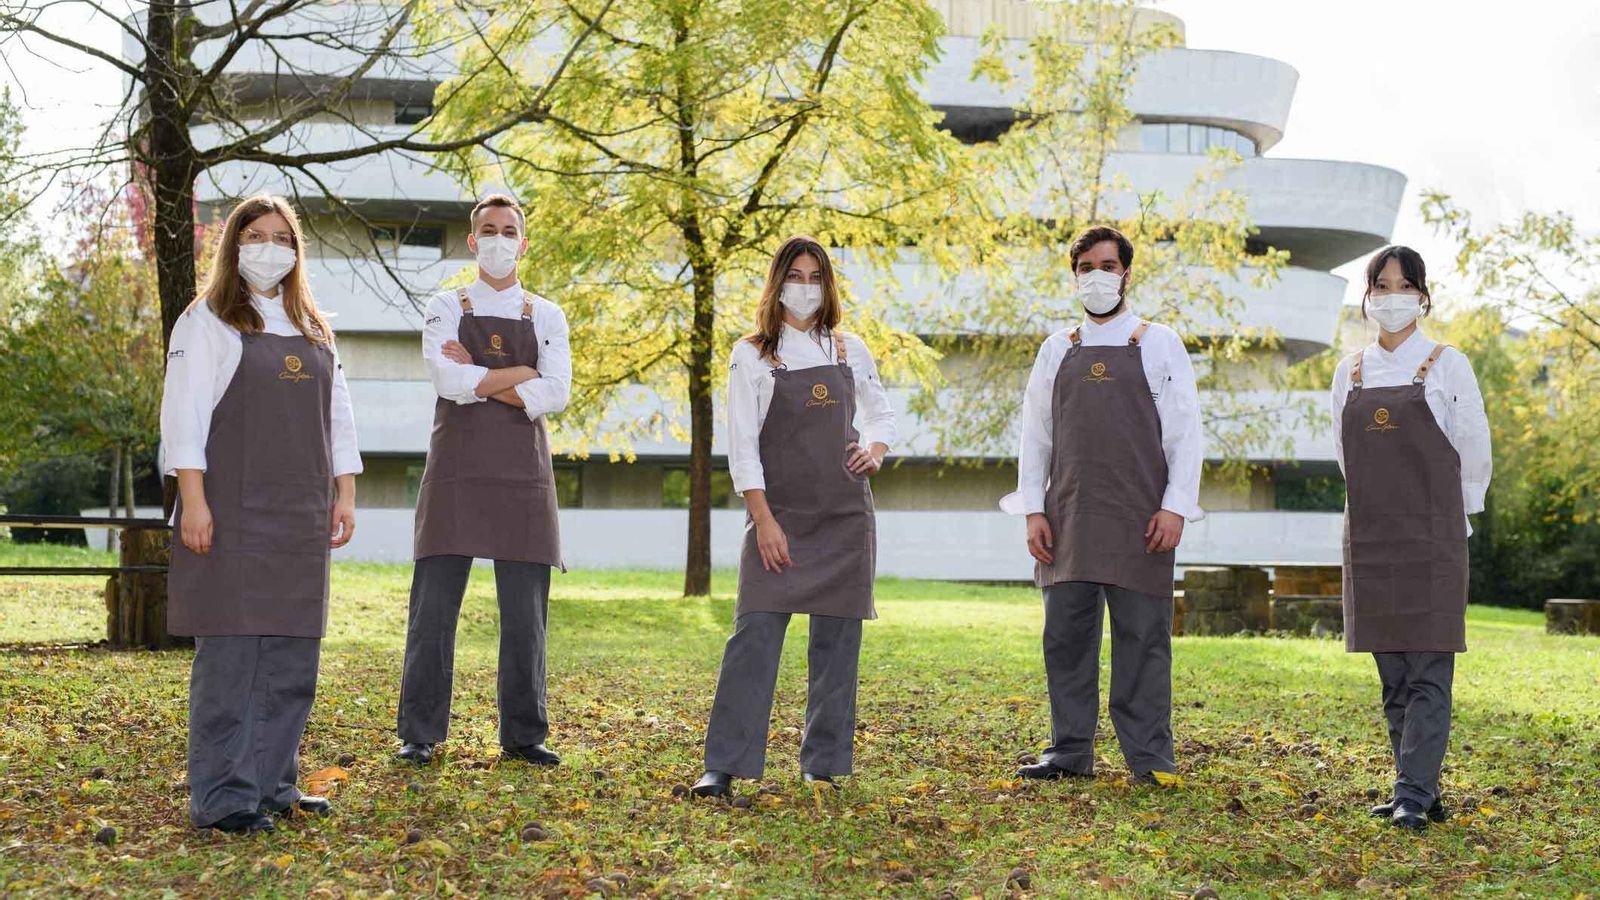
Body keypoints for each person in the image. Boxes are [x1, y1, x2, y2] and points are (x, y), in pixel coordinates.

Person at [162, 194, 361, 834]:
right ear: (233, 246)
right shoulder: (208, 321)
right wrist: (193, 501)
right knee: (232, 660)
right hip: (230, 514)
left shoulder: (314, 328)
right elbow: (183, 416)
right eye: (255, 235)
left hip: (301, 516)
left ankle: (276, 783)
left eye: (282, 237)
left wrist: (345, 492)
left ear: (296, 251)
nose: (269, 247)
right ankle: (223, 798)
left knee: (291, 659)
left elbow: (341, 420)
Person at [690, 236, 895, 798]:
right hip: (779, 517)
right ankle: (724, 765)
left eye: (814, 277)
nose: (804, 287)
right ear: (777, 282)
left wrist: (873, 450)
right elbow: (743, 447)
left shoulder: (851, 350)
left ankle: (821, 765)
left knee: (837, 645)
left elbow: (880, 416)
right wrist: (765, 520)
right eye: (795, 275)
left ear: (827, 286)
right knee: (753, 636)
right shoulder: (752, 353)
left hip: (846, 518)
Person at [999, 225, 1203, 784]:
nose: (1098, 276)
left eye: (1108, 266)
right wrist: (1033, 510)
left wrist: (1176, 506)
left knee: (1143, 641)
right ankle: (1069, 752)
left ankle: (1150, 760)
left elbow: (1185, 432)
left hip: (1142, 519)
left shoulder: (1158, 342)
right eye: (1087, 266)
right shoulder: (1056, 349)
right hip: (1067, 518)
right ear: (1075, 276)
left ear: (1127, 274)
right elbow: (1035, 436)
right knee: (1066, 638)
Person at [395, 193, 571, 768]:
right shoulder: (446, 304)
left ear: (523, 241)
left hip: (523, 479)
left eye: (509, 230)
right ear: (473, 241)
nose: (499, 239)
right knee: (433, 609)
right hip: (455, 476)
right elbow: (446, 380)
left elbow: (558, 390)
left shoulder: (547, 314)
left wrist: (482, 375)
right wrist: (521, 374)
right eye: (488, 230)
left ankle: (524, 734)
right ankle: (419, 733)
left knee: (526, 615)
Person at [1330, 244, 1491, 831]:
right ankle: (1417, 786)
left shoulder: (1449, 364)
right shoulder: (1348, 370)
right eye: (1380, 286)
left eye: (1403, 286)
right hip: (1371, 537)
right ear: (1368, 296)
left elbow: (1473, 447)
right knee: (1392, 671)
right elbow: (1344, 452)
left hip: (1432, 537)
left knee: (1428, 668)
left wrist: (1458, 516)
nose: (1390, 298)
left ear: (1422, 295)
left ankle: (1413, 794)